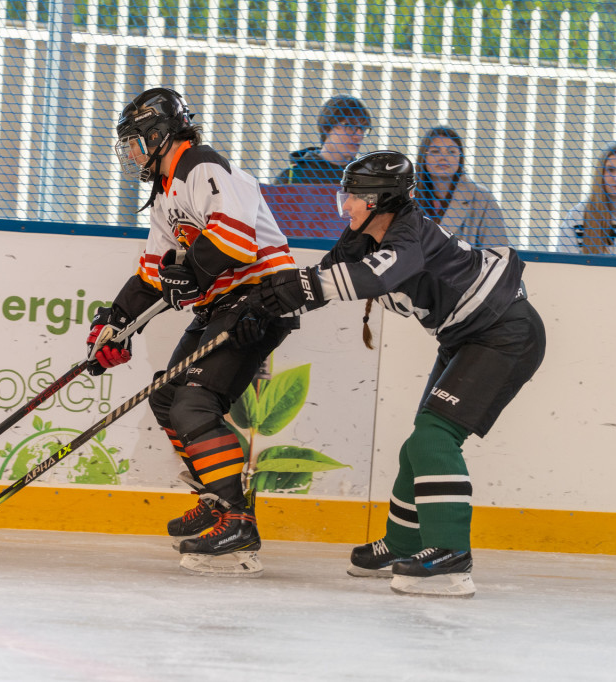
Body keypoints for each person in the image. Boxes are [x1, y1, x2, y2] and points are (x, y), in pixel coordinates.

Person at [229, 150, 547, 597]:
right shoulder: (361, 237)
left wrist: (297, 289)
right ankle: (402, 544)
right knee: (421, 441)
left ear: (380, 199)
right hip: (467, 336)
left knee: (434, 439)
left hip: (504, 333)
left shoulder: (408, 234)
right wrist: (261, 309)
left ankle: (451, 556)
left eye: (353, 196)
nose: (344, 205)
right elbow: (320, 280)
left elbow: (374, 279)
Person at [87, 87, 298, 577]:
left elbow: (234, 239)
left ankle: (239, 519)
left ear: (161, 135)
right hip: (222, 306)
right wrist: (115, 324)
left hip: (257, 302)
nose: (132, 154)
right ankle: (216, 498)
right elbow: (154, 273)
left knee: (193, 403)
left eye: (137, 142)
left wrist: (192, 271)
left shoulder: (202, 166)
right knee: (166, 396)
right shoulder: (165, 192)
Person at [413, 125, 508, 247]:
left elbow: (498, 254)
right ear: (423, 157)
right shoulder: (407, 198)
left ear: (460, 158)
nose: (443, 157)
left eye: (451, 151)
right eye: (435, 151)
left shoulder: (483, 200)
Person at [273, 94, 371, 185]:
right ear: (327, 128)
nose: (359, 135)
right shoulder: (292, 177)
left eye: (363, 128)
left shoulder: (367, 179)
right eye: (350, 126)